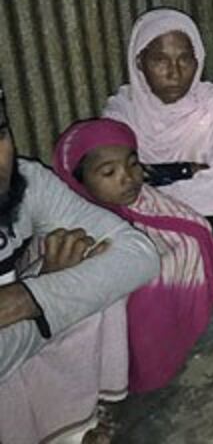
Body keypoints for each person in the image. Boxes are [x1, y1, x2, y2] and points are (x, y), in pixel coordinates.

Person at [0, 90, 159, 443]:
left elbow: (139, 255)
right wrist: (50, 300)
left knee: (92, 262)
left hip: (22, 325)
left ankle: (75, 422)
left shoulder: (24, 181)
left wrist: (31, 297)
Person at [53, 118, 213, 393]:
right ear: (78, 181)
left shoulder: (149, 200)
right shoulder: (74, 224)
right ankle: (135, 365)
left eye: (133, 164)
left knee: (183, 248)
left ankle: (176, 334)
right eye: (109, 173)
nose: (128, 178)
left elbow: (190, 225)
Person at [104, 8, 213, 296]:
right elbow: (115, 183)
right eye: (160, 60)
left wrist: (155, 189)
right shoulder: (121, 112)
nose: (174, 73)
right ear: (139, 62)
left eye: (185, 59)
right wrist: (186, 169)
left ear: (198, 61)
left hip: (205, 212)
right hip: (150, 215)